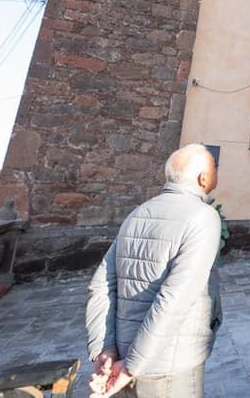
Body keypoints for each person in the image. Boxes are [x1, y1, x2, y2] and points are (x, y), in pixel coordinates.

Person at [85, 144, 223, 398]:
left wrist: (104, 349)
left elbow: (102, 286)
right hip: (169, 364)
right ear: (203, 178)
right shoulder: (203, 217)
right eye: (214, 167)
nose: (217, 171)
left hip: (122, 358)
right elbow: (175, 300)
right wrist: (132, 366)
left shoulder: (136, 214)